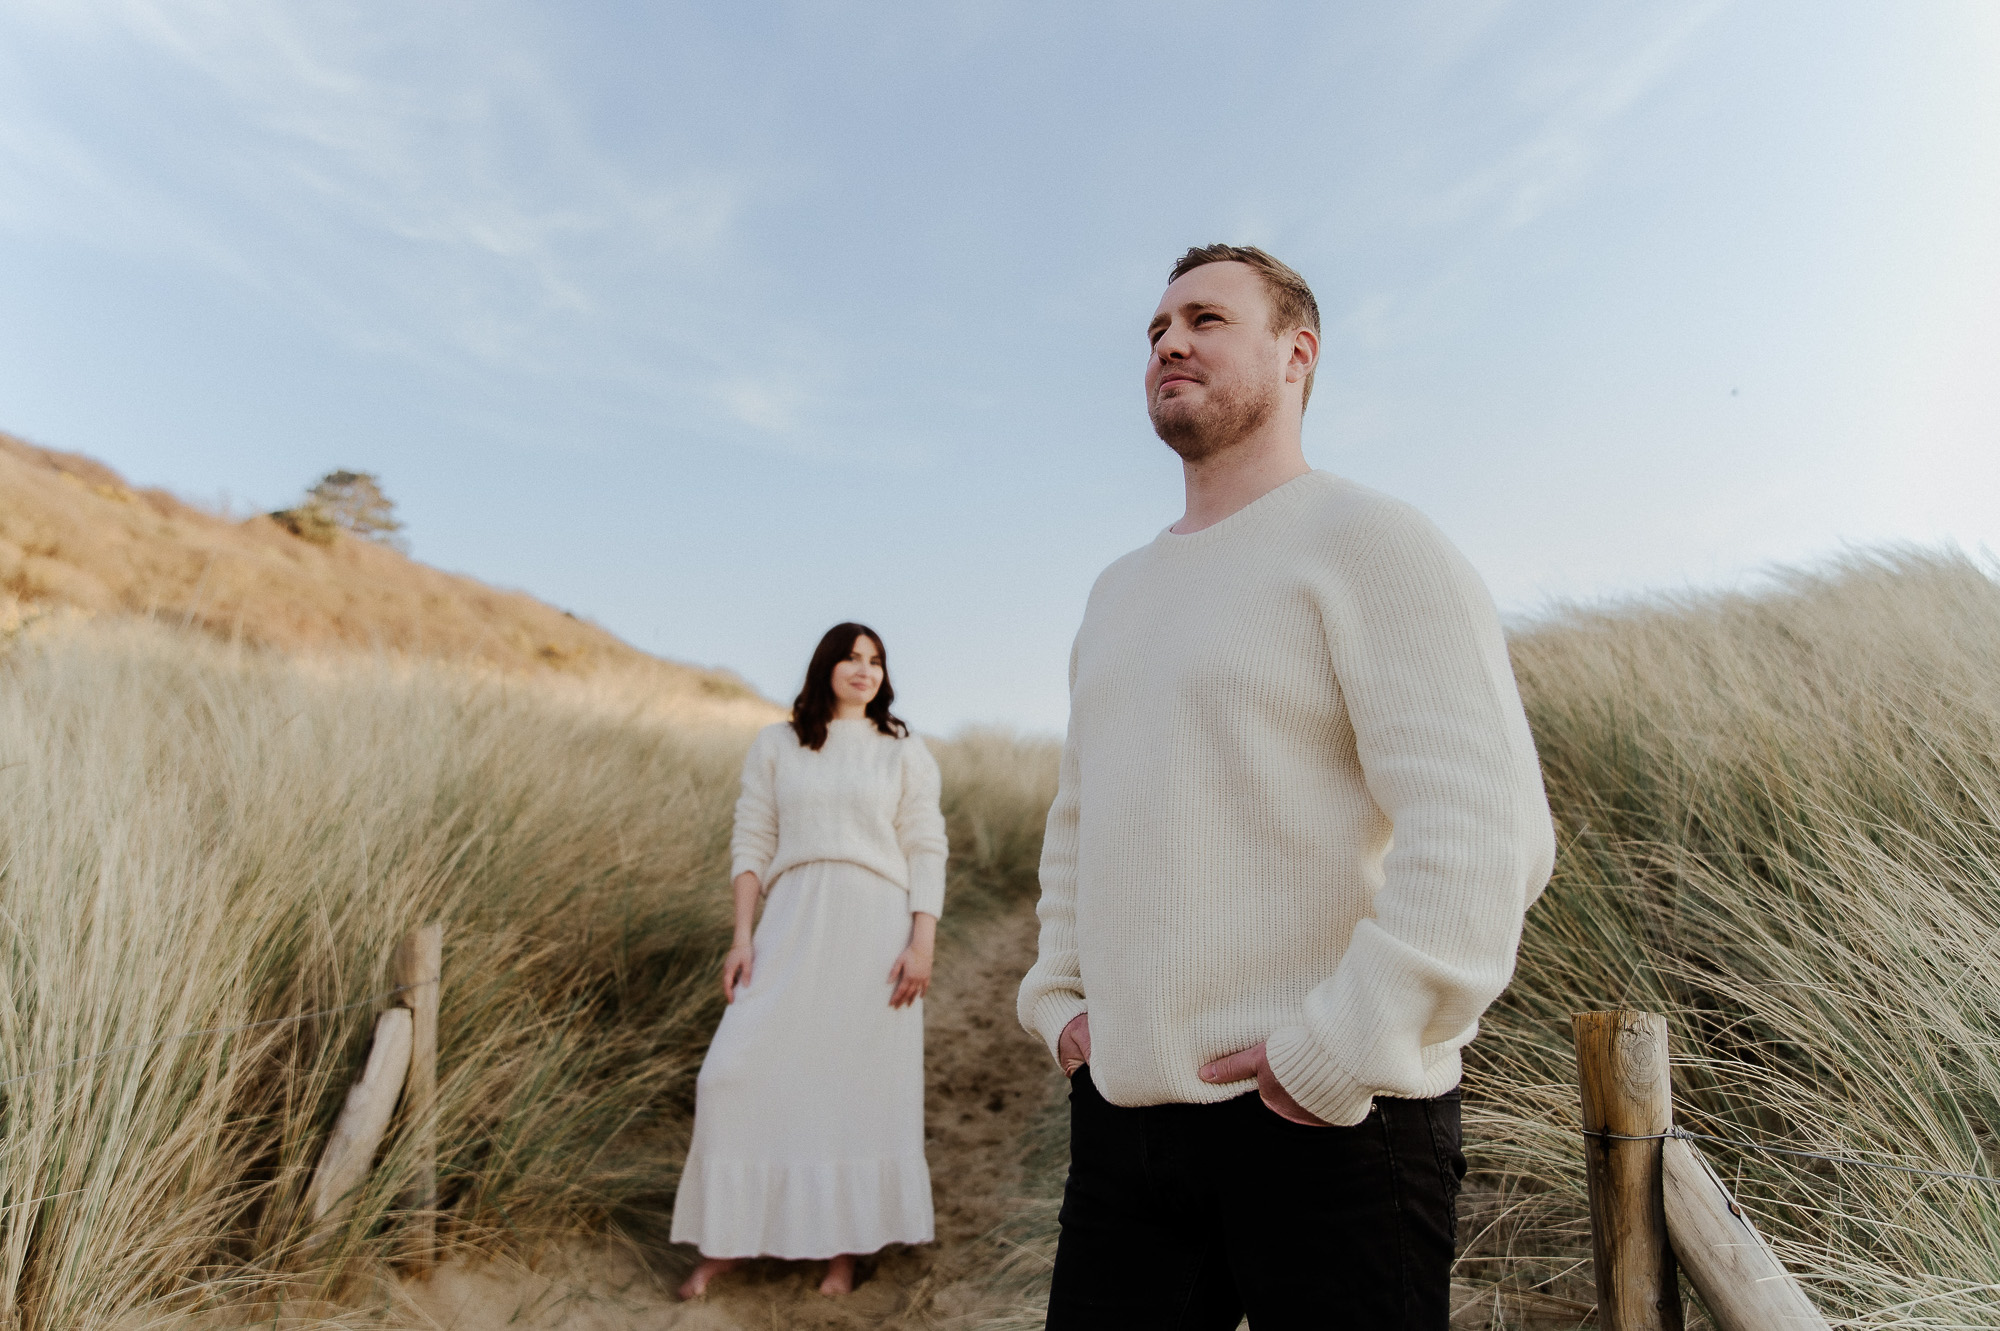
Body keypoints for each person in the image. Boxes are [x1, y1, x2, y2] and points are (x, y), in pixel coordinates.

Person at [1017, 245, 1556, 1329]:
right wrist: (1059, 999)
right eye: (1157, 327)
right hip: (1124, 1129)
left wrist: (1342, 1046)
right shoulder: (1114, 593)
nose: (1168, 340)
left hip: (1333, 1127)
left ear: (1294, 353)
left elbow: (1486, 830)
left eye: (1205, 318)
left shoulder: (1371, 543)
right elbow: (1081, 821)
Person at [673, 622, 947, 1299]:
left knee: (851, 1083)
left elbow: (925, 845)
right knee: (732, 1073)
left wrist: (922, 942)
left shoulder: (902, 749)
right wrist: (742, 936)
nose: (864, 670)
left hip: (874, 924)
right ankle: (726, 1240)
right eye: (852, 658)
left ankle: (842, 1249)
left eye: (876, 661)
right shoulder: (779, 743)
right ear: (826, 664)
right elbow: (752, 838)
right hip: (791, 919)